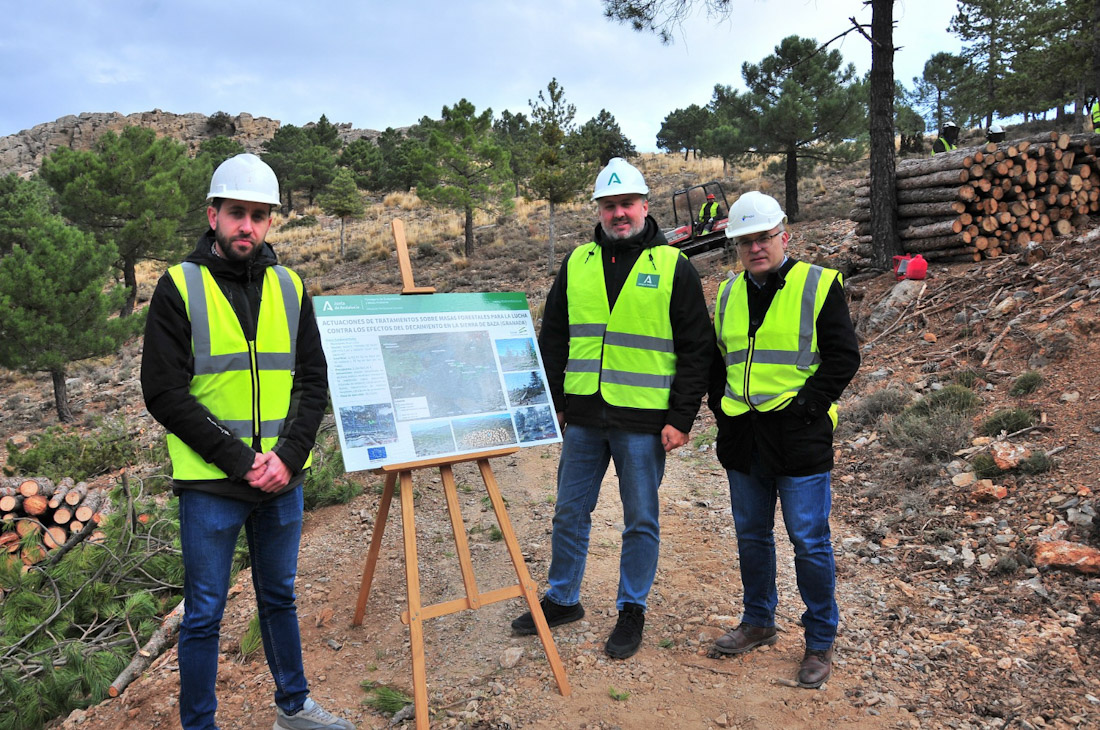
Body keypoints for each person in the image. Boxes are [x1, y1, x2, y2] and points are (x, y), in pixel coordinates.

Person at [141, 154, 352, 730]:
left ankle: (293, 707)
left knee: (279, 597)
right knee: (205, 614)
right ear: (213, 215)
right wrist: (239, 461)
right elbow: (162, 391)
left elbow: (313, 380)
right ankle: (200, 725)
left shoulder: (290, 286)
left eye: (260, 216)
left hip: (282, 481)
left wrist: (286, 459)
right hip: (212, 483)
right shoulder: (178, 286)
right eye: (237, 213)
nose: (248, 227)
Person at [510, 157, 712, 659]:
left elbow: (696, 348)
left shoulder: (673, 266)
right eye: (609, 205)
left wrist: (680, 417)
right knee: (569, 511)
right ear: (599, 210)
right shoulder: (576, 263)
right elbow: (553, 337)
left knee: (640, 518)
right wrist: (554, 402)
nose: (619, 213)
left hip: (643, 420)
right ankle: (562, 598)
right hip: (582, 416)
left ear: (644, 205)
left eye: (626, 204)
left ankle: (631, 608)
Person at [707, 191, 860, 689]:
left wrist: (805, 409)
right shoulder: (728, 292)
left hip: (798, 437)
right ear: (736, 245)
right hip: (743, 437)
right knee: (752, 536)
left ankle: (819, 641)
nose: (755, 247)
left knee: (808, 541)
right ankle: (758, 622)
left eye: (764, 237)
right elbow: (718, 360)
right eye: (745, 240)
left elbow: (843, 357)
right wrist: (719, 409)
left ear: (783, 236)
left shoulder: (818, 285)